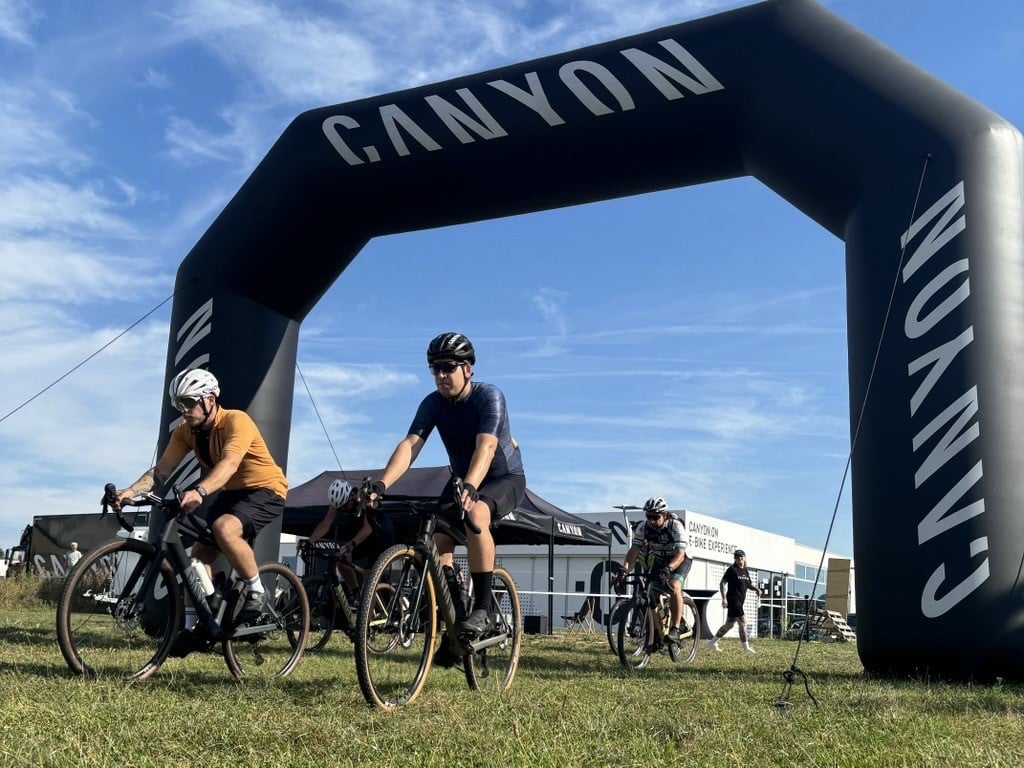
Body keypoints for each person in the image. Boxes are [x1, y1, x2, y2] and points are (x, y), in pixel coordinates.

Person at [366, 332, 525, 638]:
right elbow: (410, 445)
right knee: (436, 539)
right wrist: (381, 484)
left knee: (476, 515)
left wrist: (470, 485)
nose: (440, 375)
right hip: (464, 480)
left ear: (468, 369)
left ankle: (483, 610)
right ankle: (456, 609)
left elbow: (487, 447)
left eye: (448, 367)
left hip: (503, 478)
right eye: (434, 368)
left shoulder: (488, 396)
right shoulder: (433, 403)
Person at [113, 368, 288, 623]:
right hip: (230, 492)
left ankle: (256, 591)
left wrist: (199, 490)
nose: (182, 409)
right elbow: (162, 470)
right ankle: (193, 626)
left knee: (224, 528)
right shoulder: (185, 431)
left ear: (209, 400)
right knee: (196, 559)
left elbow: (229, 464)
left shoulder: (235, 420)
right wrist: (130, 490)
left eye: (188, 402)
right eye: (177, 403)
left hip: (266, 489)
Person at [615, 497, 691, 643]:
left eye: (655, 517)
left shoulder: (675, 526)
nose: (652, 520)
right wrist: (625, 569)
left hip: (680, 559)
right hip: (660, 559)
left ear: (665, 515)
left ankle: (675, 628)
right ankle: (657, 632)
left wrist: (669, 568)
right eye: (648, 516)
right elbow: (634, 550)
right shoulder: (643, 527)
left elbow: (680, 555)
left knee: (674, 586)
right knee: (652, 593)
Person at [305, 478, 394, 602]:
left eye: (346, 505)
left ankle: (366, 617)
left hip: (380, 533)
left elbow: (368, 528)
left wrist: (351, 544)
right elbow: (326, 523)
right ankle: (356, 593)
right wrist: (309, 541)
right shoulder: (339, 501)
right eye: (341, 507)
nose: (344, 509)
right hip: (362, 535)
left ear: (351, 495)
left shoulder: (365, 498)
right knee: (340, 560)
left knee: (369, 577)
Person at [707, 549, 761, 654]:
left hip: (740, 601)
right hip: (733, 599)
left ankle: (712, 643)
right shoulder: (732, 570)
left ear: (744, 558)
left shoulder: (745, 571)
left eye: (741, 558)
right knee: (743, 622)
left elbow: (748, 584)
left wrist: (757, 590)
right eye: (737, 558)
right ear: (735, 559)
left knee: (729, 625)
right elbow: (722, 583)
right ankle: (746, 648)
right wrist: (724, 598)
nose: (740, 560)